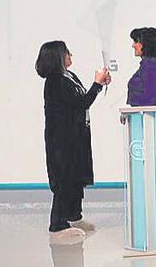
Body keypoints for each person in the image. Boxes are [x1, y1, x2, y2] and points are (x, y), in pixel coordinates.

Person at [35, 41, 111, 244]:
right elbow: (81, 103)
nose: (70, 55)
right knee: (64, 179)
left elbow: (82, 98)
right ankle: (57, 224)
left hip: (76, 136)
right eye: (66, 52)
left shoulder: (69, 77)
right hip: (62, 140)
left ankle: (74, 216)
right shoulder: (55, 81)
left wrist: (99, 84)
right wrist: (96, 84)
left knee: (76, 177)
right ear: (57, 57)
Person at [126, 26, 156, 107]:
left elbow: (150, 98)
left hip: (149, 117)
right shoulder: (150, 64)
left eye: (136, 42)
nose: (133, 45)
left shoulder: (151, 66)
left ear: (146, 45)